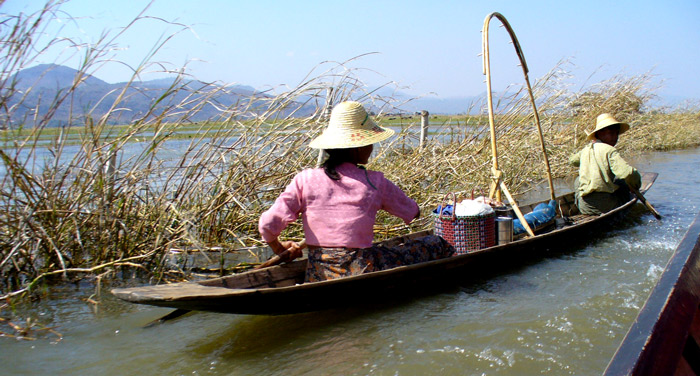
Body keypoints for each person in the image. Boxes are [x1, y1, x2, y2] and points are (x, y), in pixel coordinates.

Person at [258, 101, 454, 282]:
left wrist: (278, 247)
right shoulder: (374, 181)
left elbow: (267, 224)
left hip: (318, 272)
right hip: (362, 269)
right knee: (435, 243)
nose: (371, 147)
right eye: (369, 142)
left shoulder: (305, 179)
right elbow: (413, 212)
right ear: (358, 148)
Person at [569, 113, 642, 215]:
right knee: (622, 182)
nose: (615, 137)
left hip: (585, 208)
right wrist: (636, 186)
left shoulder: (586, 149)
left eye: (616, 134)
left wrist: (590, 151)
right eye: (611, 134)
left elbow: (572, 160)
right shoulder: (609, 150)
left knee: (578, 180)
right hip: (606, 206)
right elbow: (629, 173)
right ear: (599, 134)